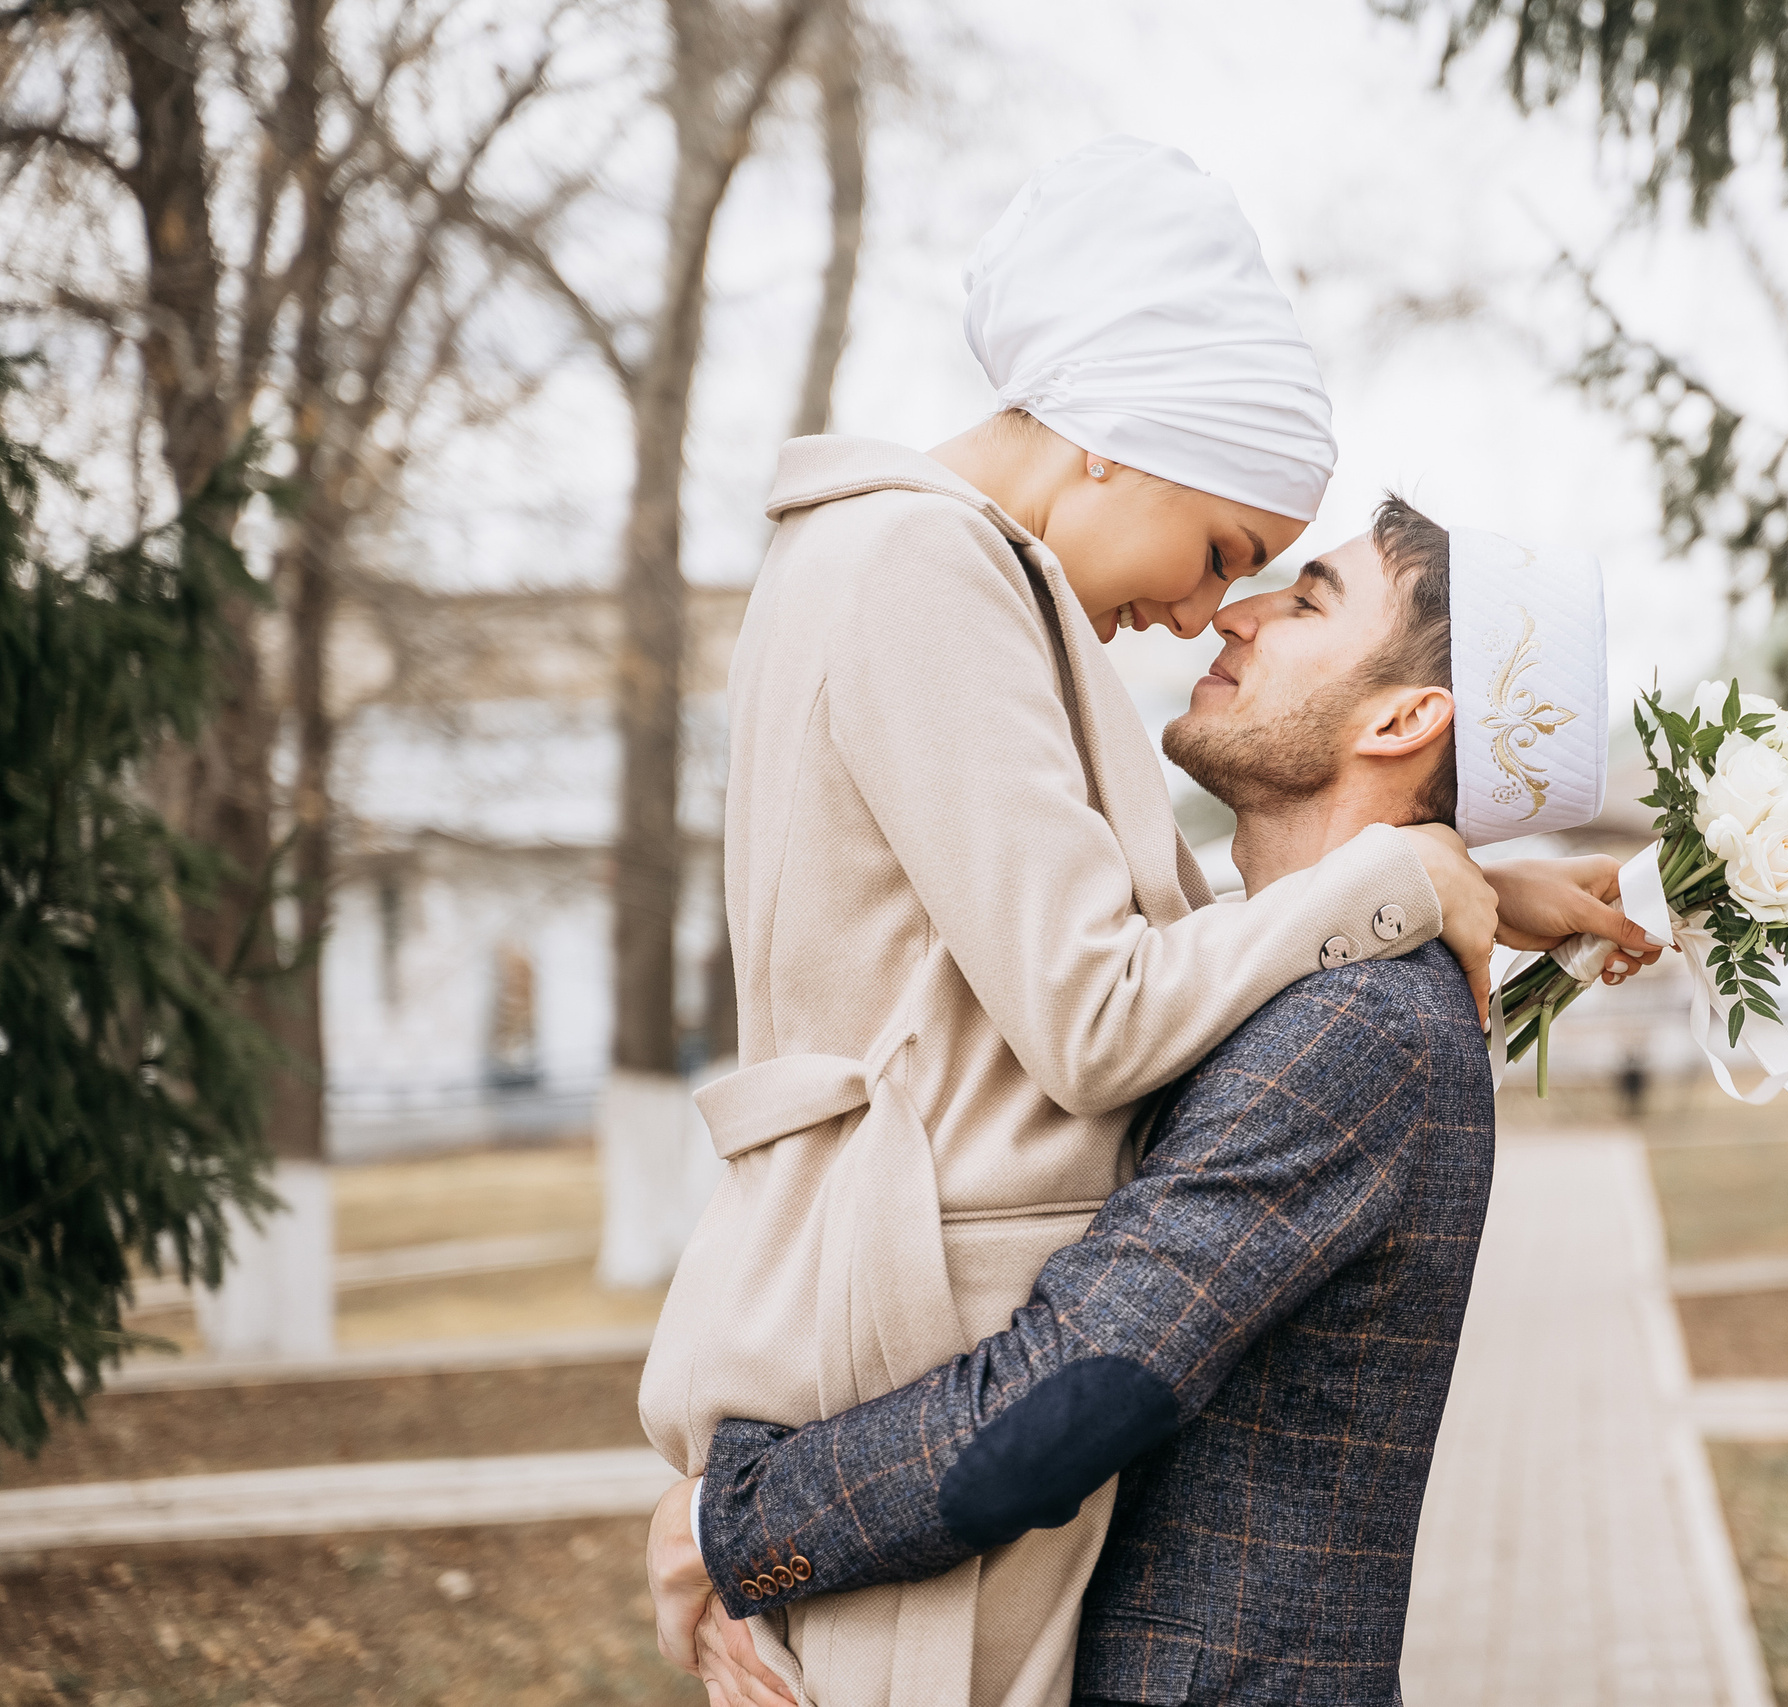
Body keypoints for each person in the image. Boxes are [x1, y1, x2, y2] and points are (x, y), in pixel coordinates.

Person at [635, 137, 1657, 1707]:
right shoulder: (920, 558)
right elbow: (1112, 995)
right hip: (892, 1330)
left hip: (922, 1380)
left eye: (1271, 582)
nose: (1206, 614)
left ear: (1406, 721)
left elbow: (1119, 1029)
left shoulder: (1364, 1028)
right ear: (1115, 443)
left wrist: (742, 1526)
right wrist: (1417, 875)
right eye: (1229, 552)